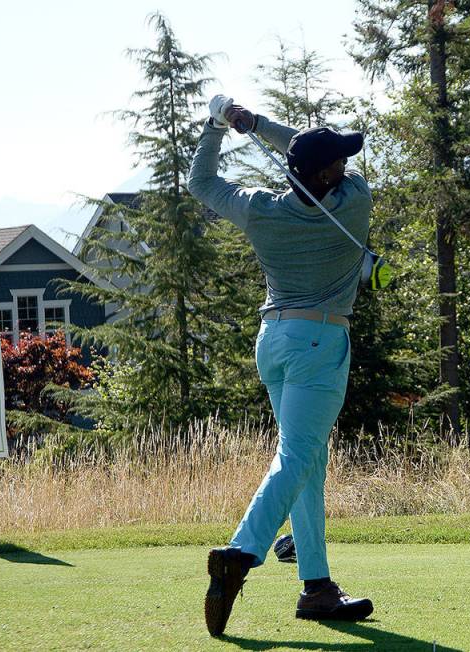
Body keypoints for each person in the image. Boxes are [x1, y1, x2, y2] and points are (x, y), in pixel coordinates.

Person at [188, 94, 374, 637]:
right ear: (326, 173)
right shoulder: (353, 202)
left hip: (273, 339)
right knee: (297, 456)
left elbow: (202, 183)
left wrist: (219, 124)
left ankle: (317, 588)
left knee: (309, 462)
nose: (346, 166)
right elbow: (296, 144)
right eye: (338, 161)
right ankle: (242, 553)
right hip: (320, 340)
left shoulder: (261, 210)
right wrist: (262, 125)